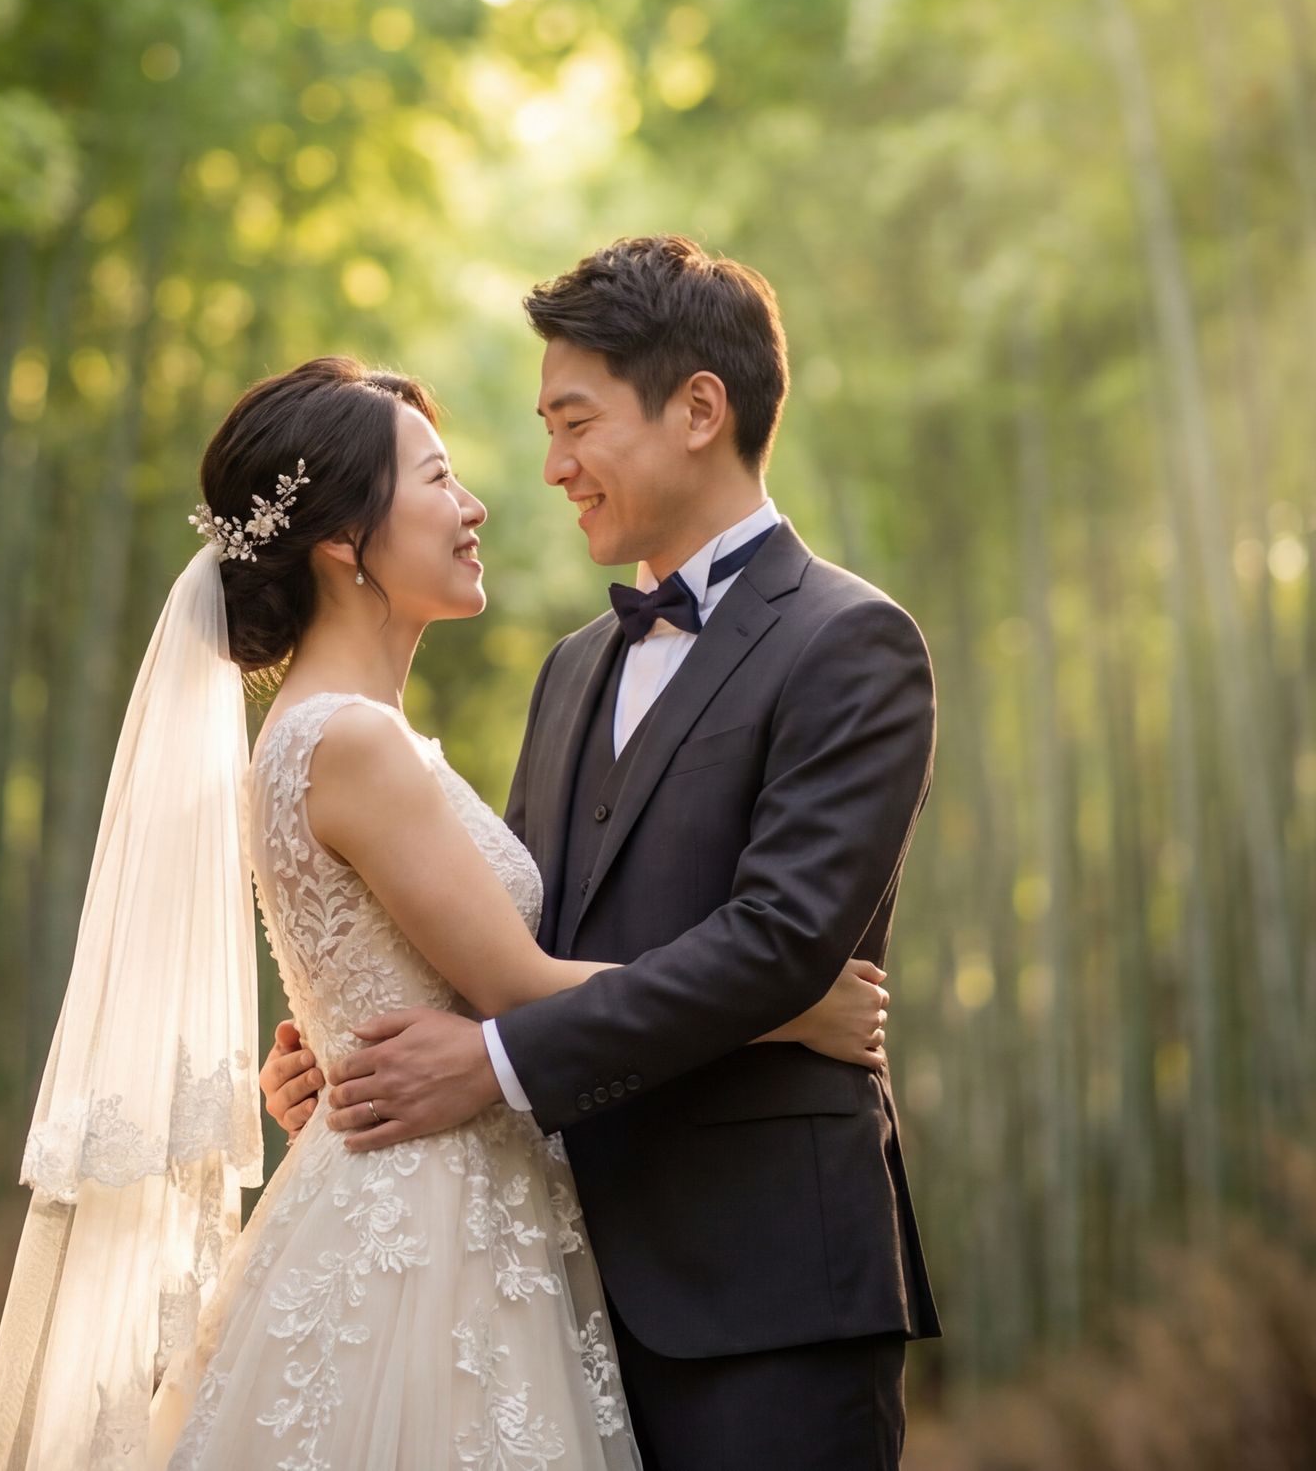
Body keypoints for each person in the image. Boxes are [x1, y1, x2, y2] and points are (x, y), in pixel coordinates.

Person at [0, 353, 891, 1471]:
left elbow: (453, 969)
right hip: (422, 1226)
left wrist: (325, 1046)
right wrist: (789, 1011)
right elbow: (515, 987)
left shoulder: (350, 736)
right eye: (439, 480)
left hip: (454, 1195)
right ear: (346, 541)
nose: (478, 503)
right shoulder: (349, 740)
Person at [261, 238, 941, 1469]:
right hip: (544, 1290)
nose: (550, 468)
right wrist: (342, 1041)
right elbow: (504, 945)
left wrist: (495, 1060)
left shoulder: (853, 643)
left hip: (766, 1297)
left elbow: (783, 943)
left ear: (698, 409)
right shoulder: (574, 669)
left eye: (575, 425)